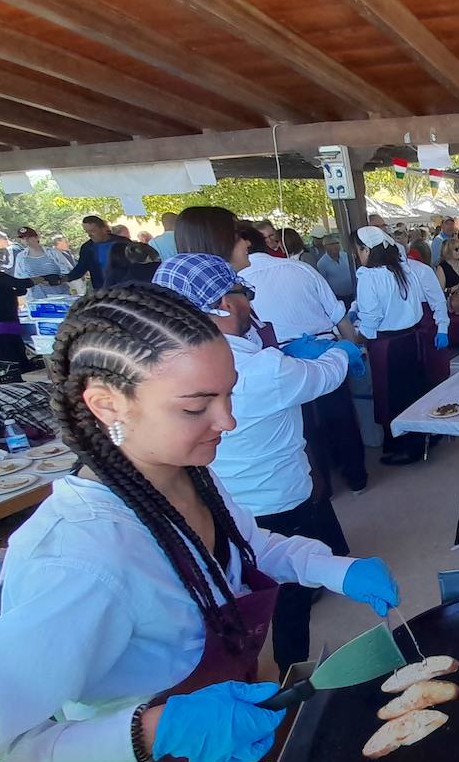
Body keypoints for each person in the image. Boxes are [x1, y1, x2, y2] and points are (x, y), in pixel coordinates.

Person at [0, 282, 397, 762]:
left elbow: (248, 547)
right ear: (106, 402)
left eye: (228, 395)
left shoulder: (187, 475)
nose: (227, 422)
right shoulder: (77, 560)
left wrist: (335, 568)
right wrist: (156, 729)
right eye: (195, 406)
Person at [152, 254, 366, 675]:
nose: (225, 420)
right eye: (244, 293)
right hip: (276, 496)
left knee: (236, 587)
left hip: (222, 497)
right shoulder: (257, 371)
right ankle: (289, 669)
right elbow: (316, 377)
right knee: (286, 598)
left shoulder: (175, 361)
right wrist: (340, 352)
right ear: (226, 305)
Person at [233, 221, 368, 496]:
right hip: (321, 351)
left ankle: (323, 487)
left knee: (303, 427)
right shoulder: (301, 269)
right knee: (341, 416)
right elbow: (338, 316)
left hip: (284, 360)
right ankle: (357, 477)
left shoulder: (240, 284)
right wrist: (352, 347)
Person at [352, 226, 450, 465]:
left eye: (358, 250)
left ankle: (407, 447)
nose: (358, 255)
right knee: (412, 391)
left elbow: (371, 319)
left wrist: (357, 334)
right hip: (409, 339)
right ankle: (412, 439)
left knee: (391, 396)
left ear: (366, 250)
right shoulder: (403, 270)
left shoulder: (370, 277)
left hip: (386, 343)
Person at [11, 226, 71, 299]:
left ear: (37, 237)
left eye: (29, 237)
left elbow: (68, 272)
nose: (26, 240)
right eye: (22, 238)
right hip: (36, 298)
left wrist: (55, 280)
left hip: (60, 296)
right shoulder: (21, 257)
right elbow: (19, 278)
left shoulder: (53, 253)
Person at [66, 215, 121, 292]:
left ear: (103, 229)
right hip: (100, 291)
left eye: (93, 231)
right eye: (86, 231)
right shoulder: (87, 247)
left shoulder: (122, 243)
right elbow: (80, 269)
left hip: (123, 291)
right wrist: (63, 278)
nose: (89, 234)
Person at [317, 232, 355, 302]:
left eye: (337, 243)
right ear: (325, 246)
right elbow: (323, 283)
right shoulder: (322, 263)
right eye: (332, 244)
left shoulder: (346, 256)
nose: (335, 246)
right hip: (337, 298)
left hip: (353, 294)